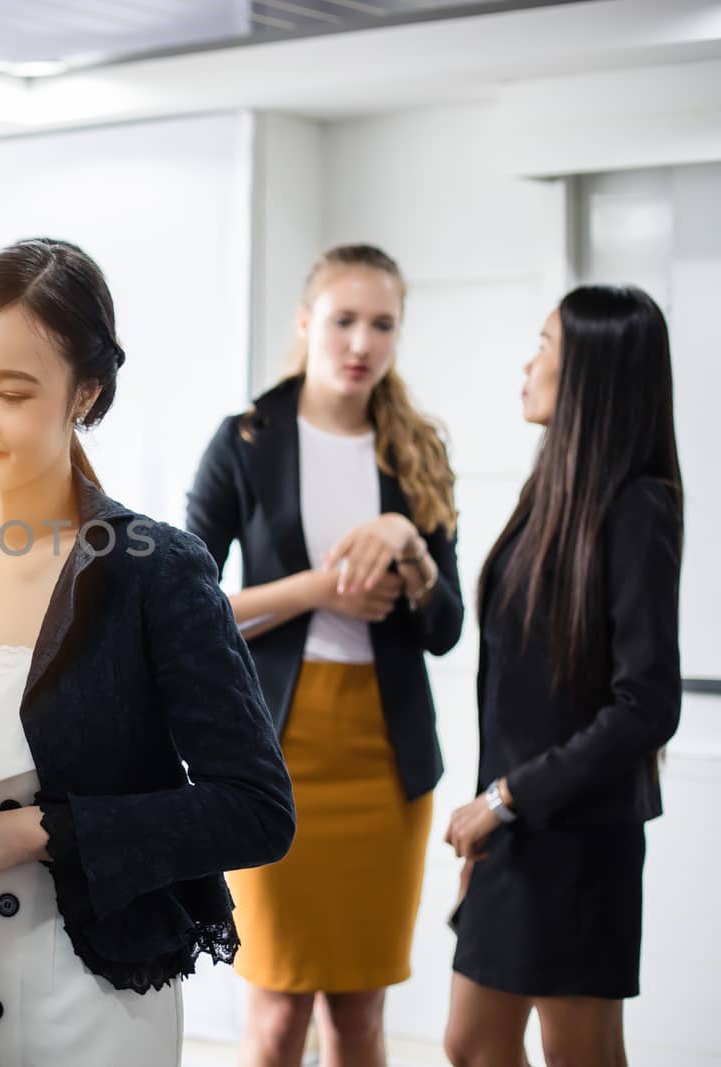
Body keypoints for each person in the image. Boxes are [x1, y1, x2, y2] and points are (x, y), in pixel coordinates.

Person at [0, 238, 296, 1067]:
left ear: (84, 394)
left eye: (11, 392)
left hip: (77, 1002)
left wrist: (31, 832)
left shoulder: (154, 570)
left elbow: (256, 809)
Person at [186, 243, 464, 1067]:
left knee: (359, 1019)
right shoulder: (243, 441)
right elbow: (186, 612)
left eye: (383, 324)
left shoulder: (416, 450)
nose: (361, 343)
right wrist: (317, 590)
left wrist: (411, 548)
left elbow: (445, 626)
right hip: (276, 756)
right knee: (275, 1017)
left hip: (386, 762)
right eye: (344, 320)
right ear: (307, 323)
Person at [442, 285, 682, 1067]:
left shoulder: (637, 507)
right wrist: (494, 817)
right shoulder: (551, 490)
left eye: (544, 344)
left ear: (590, 374)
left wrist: (506, 800)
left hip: (575, 833)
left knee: (580, 1053)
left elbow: (645, 705)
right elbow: (519, 688)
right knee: (473, 1045)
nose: (528, 362)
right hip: (515, 829)